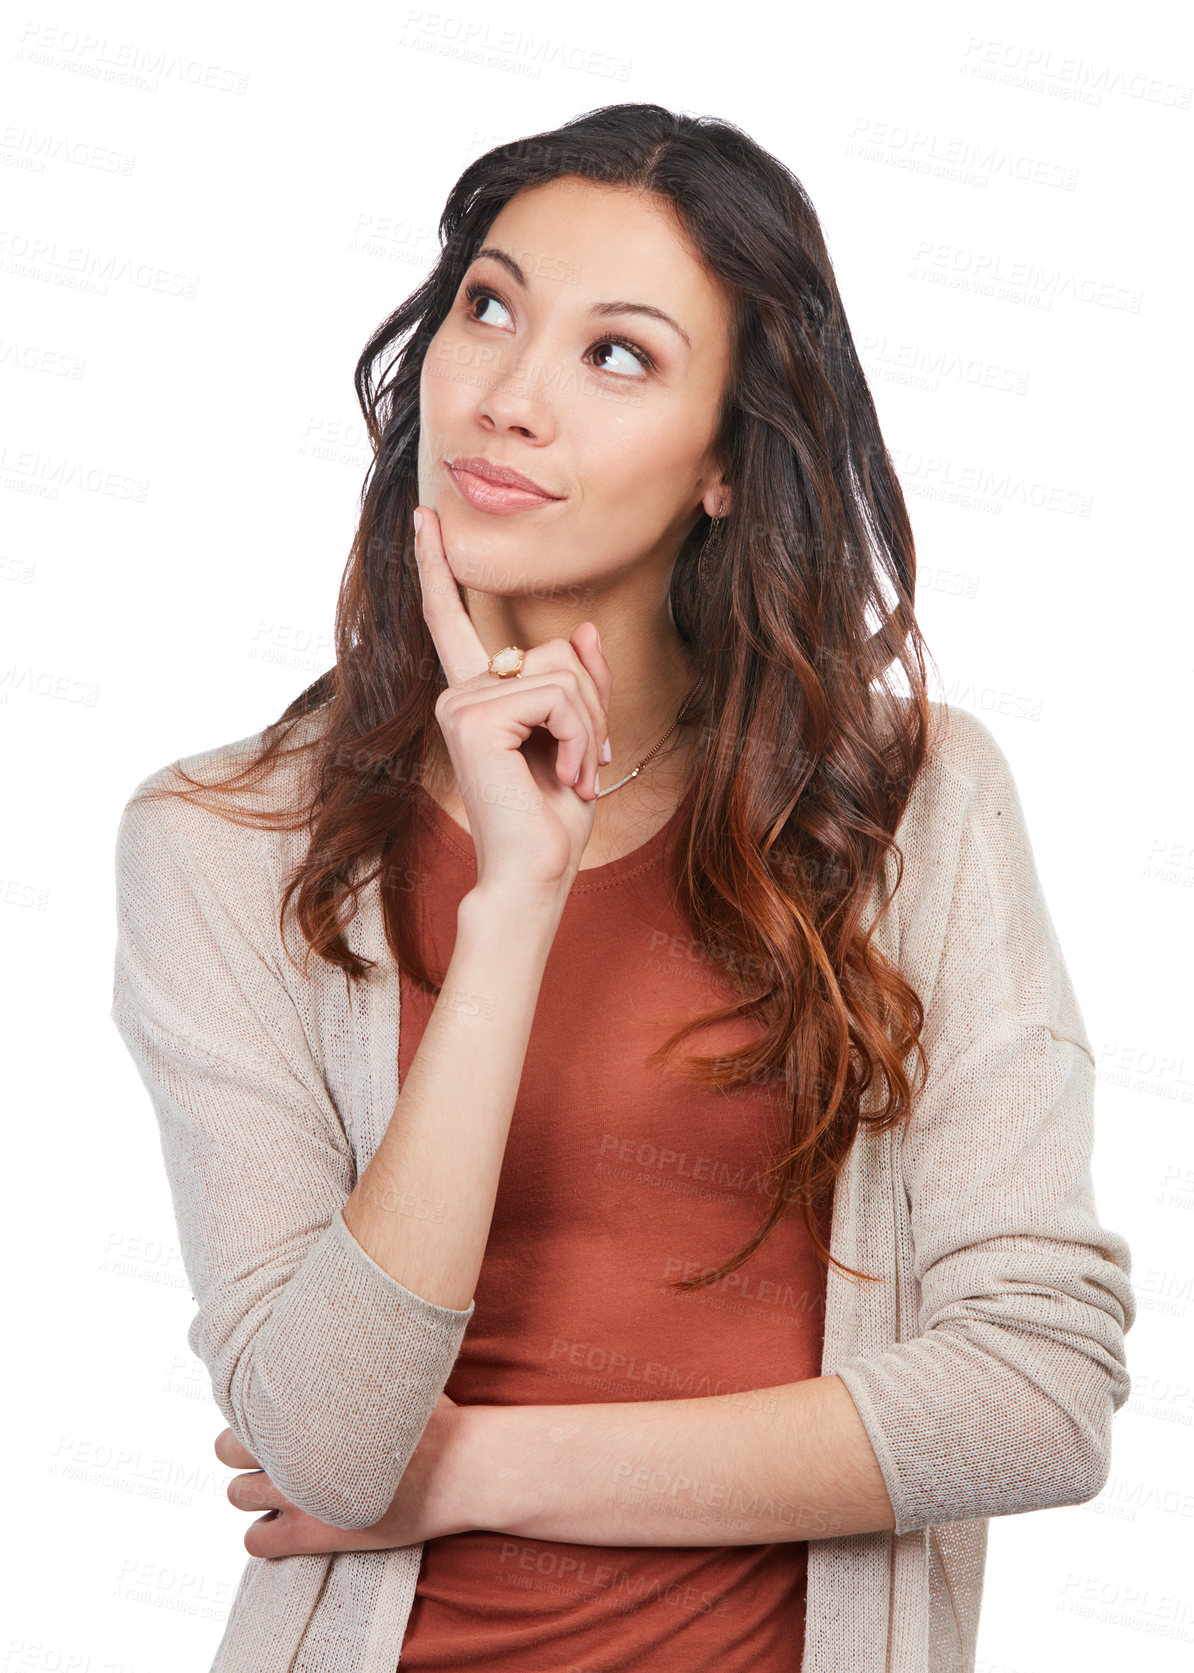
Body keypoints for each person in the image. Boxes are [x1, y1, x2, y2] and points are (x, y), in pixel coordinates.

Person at [109, 103, 1134, 1673]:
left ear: (727, 462)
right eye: (491, 307)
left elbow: (1035, 1396)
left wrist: (469, 1467)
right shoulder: (221, 842)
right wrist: (512, 906)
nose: (511, 397)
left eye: (617, 355)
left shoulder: (905, 808)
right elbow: (320, 1437)